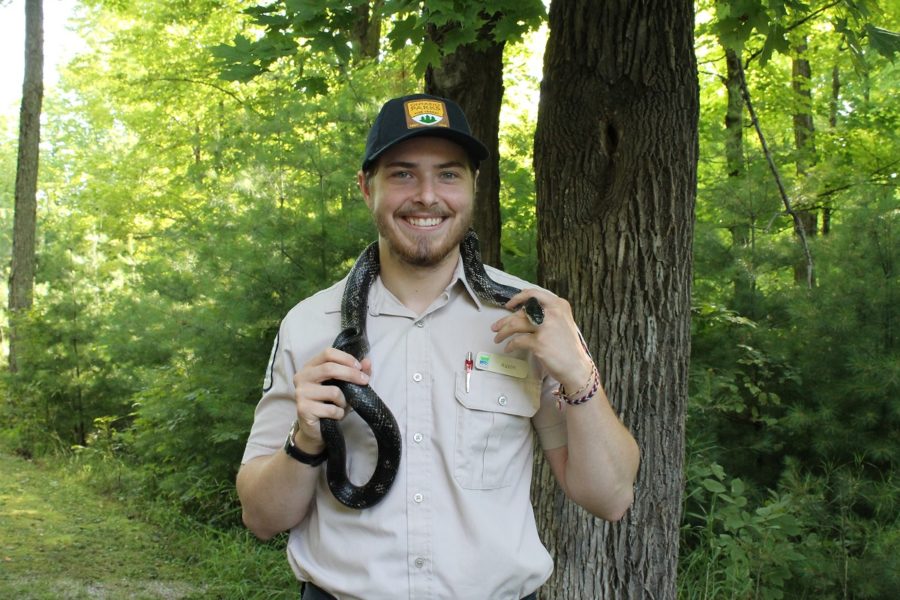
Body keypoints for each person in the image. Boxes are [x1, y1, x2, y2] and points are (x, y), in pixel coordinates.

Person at [236, 93, 640, 600]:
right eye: (403, 173)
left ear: (473, 186)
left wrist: (580, 374)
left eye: (448, 174)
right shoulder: (308, 324)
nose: (427, 195)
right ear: (367, 187)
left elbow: (611, 498)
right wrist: (307, 439)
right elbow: (261, 518)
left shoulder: (535, 318)